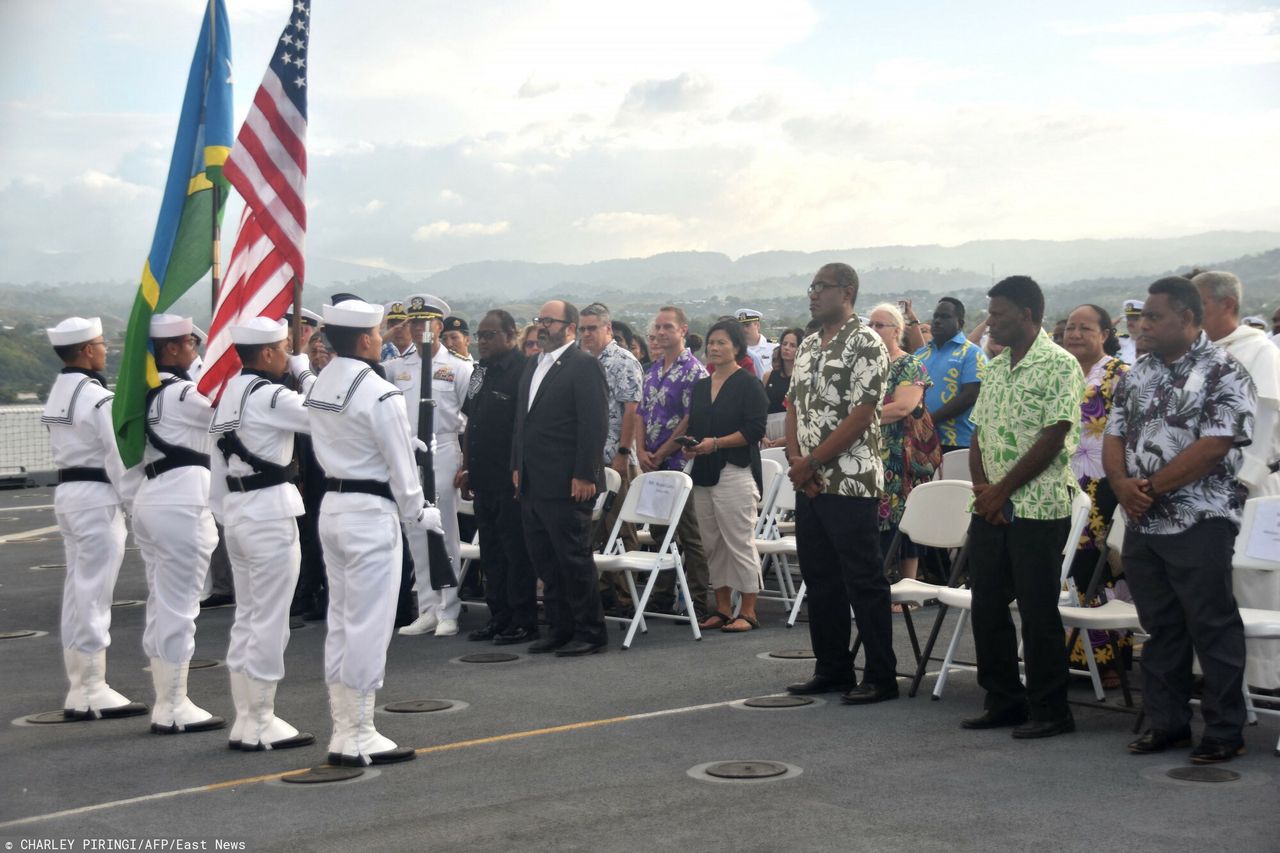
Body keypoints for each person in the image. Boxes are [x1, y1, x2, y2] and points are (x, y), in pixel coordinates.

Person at [1105, 277, 1254, 763]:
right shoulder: (1137, 373)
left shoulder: (1225, 372)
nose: (1142, 325)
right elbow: (1114, 436)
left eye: (1154, 317)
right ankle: (1167, 725)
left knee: (1211, 625)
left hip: (1199, 521)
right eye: (1141, 317)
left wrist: (1148, 489)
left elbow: (1215, 446)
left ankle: (1224, 731)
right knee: (1161, 627)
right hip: (1143, 522)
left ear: (1188, 319)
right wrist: (1122, 486)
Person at [304, 298, 443, 766]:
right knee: (369, 622)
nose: (383, 338)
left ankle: (344, 727)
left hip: (334, 507)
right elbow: (402, 470)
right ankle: (359, 731)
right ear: (364, 340)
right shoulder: (379, 391)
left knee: (342, 620)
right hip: (370, 513)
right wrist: (419, 511)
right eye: (380, 332)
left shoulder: (323, 380)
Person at [963, 276, 1084, 739]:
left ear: (1026, 315)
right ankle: (1004, 700)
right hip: (990, 506)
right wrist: (982, 489)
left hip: (1038, 506)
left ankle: (1051, 710)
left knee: (1037, 612)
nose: (990, 321)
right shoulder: (993, 367)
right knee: (987, 607)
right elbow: (980, 431)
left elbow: (1053, 437)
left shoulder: (1058, 364)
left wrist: (1002, 490)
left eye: (998, 314)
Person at [783, 263, 897, 705]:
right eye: (811, 287)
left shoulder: (866, 342)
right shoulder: (810, 343)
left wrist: (811, 461)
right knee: (820, 578)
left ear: (846, 291)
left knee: (863, 580)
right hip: (808, 480)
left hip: (849, 480)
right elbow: (793, 405)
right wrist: (797, 461)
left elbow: (863, 413)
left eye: (821, 287)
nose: (812, 294)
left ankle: (881, 675)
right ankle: (832, 668)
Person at [208, 317, 316, 751]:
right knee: (271, 621)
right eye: (285, 347)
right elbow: (326, 415)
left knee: (248, 617)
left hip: (237, 514)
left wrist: (223, 510)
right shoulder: (271, 395)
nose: (288, 353)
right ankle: (262, 720)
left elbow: (214, 460)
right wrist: (306, 370)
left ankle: (245, 718)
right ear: (269, 353)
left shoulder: (230, 392)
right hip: (269, 514)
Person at [43, 317, 146, 721]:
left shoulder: (60, 390)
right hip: (95, 495)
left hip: (69, 492)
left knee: (78, 589)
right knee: (94, 592)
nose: (106, 350)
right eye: (102, 344)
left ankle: (79, 684)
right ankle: (91, 687)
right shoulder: (97, 396)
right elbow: (116, 453)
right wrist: (135, 500)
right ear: (87, 351)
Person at [133, 314, 223, 734]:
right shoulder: (185, 393)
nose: (196, 351)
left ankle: (166, 700)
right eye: (190, 343)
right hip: (181, 501)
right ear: (170, 349)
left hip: (154, 497)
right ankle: (172, 704)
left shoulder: (151, 391)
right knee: (179, 606)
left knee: (162, 603)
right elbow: (228, 417)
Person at [1193, 270, 1280, 694]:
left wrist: (1243, 479)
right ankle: (1215, 675)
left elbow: (1268, 415)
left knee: (1252, 581)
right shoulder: (1198, 351)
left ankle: (1261, 678)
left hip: (1248, 488)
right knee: (1211, 583)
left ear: (1227, 305)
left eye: (1200, 305)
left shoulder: (1258, 350)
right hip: (1202, 488)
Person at [512, 300, 610, 656]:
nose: (541, 326)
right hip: (534, 480)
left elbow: (594, 424)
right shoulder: (533, 365)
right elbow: (522, 423)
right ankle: (559, 627)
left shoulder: (583, 365)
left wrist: (585, 472)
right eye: (539, 320)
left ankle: (590, 630)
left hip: (568, 480)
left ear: (570, 327)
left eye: (549, 321)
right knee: (545, 560)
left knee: (573, 558)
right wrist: (516, 465)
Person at [389, 294, 473, 638]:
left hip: (443, 446)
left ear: (439, 326)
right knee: (415, 529)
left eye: (427, 322)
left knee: (445, 533)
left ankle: (449, 608)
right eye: (415, 323)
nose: (421, 329)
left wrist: (466, 462)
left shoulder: (459, 367)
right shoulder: (397, 368)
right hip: (409, 451)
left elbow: (472, 418)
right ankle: (427, 607)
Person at [456, 309, 539, 645]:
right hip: (483, 477)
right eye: (480, 335)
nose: (483, 341)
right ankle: (499, 616)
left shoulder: (524, 371)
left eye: (490, 335)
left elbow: (525, 428)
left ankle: (522, 620)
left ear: (511, 335)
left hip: (511, 479)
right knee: (491, 553)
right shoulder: (481, 372)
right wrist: (467, 468)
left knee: (515, 553)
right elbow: (471, 423)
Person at [1061, 304, 1131, 686]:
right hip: (1063, 483)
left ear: (1104, 333)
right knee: (1067, 569)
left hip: (1103, 484)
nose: (1074, 334)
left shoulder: (1120, 374)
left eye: (1084, 328)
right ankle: (1072, 653)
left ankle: (1107, 661)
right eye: (1070, 327)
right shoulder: (1060, 370)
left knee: (1097, 569)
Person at [687, 318, 769, 632]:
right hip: (704, 471)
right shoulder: (701, 386)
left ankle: (748, 609)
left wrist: (717, 443)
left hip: (736, 469)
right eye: (712, 342)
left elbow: (754, 430)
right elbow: (696, 426)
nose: (715, 348)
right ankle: (721, 607)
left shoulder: (748, 383)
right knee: (712, 543)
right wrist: (693, 445)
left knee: (739, 540)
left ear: (737, 347)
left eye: (722, 342)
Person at [637, 306, 712, 619]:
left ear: (683, 330)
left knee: (688, 533)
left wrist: (664, 450)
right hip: (652, 462)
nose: (661, 333)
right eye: (658, 327)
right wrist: (641, 450)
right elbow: (641, 412)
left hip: (678, 462)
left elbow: (689, 418)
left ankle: (697, 597)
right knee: (658, 531)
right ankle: (663, 592)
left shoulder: (694, 372)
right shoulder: (653, 370)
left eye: (668, 326)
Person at [867, 304, 939, 599]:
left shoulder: (910, 365)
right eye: (869, 325)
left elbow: (903, 407)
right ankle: (878, 586)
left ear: (897, 330)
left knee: (902, 519)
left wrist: (857, 418)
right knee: (874, 519)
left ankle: (908, 591)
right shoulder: (867, 366)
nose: (872, 330)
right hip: (869, 450)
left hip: (899, 452)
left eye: (879, 325)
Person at [579, 302, 644, 607]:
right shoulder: (581, 361)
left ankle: (625, 594)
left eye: (592, 328)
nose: (586, 334)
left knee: (620, 525)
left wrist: (622, 451)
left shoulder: (622, 361)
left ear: (607, 328)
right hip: (589, 460)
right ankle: (603, 590)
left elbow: (631, 409)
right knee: (593, 529)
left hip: (615, 457)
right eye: (582, 329)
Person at [914, 297, 986, 453]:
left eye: (945, 317)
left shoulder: (972, 354)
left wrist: (929, 421)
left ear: (960, 323)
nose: (938, 321)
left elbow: (970, 395)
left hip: (956, 442)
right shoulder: (920, 354)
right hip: (919, 440)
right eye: (936, 316)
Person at [762, 328, 803, 449]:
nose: (786, 348)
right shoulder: (768, 376)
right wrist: (762, 435)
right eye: (784, 344)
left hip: (792, 429)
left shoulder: (802, 377)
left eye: (792, 345)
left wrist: (787, 438)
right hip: (768, 430)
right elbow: (761, 407)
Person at [736, 308, 773, 378]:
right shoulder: (736, 350)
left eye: (747, 325)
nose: (744, 329)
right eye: (741, 326)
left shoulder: (773, 347)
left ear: (757, 325)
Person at [1116, 299, 1143, 365]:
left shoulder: (1155, 347)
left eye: (1135, 319)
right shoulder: (1118, 342)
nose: (1130, 322)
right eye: (1128, 318)